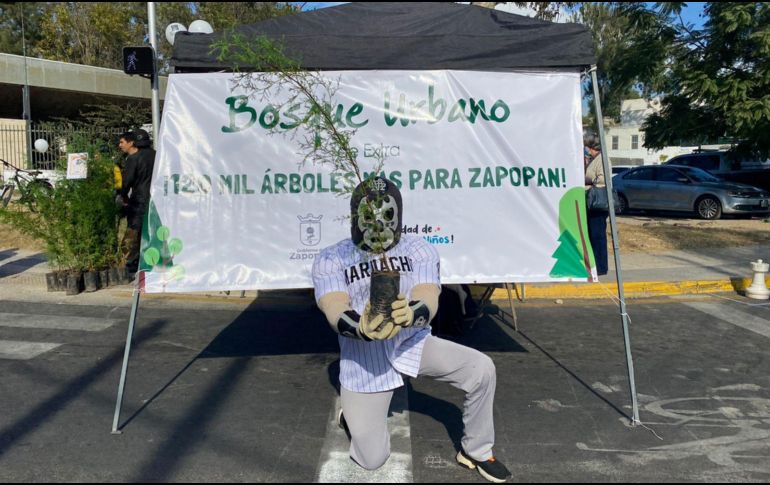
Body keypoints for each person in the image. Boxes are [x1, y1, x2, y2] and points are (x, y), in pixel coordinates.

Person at [311, 176, 512, 483]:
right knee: (372, 459)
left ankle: (477, 450)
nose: (378, 224)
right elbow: (333, 304)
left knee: (481, 369)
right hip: (365, 361)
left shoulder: (418, 249)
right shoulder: (332, 256)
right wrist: (358, 326)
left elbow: (428, 293)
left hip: (411, 343)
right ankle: (350, 416)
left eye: (386, 215)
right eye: (368, 215)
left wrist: (414, 312)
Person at [117, 129, 155, 277]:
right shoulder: (157, 155)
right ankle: (150, 260)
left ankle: (130, 261)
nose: (120, 145)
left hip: (139, 198)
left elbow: (127, 181)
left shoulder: (134, 158)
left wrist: (121, 195)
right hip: (155, 198)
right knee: (151, 230)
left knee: (134, 230)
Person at [584, 131, 609, 276]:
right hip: (591, 202)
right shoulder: (593, 159)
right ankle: (593, 265)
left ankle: (600, 267)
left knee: (597, 235)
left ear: (592, 146)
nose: (586, 149)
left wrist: (587, 180)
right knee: (591, 234)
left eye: (587, 146)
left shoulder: (602, 159)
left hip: (598, 202)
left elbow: (602, 179)